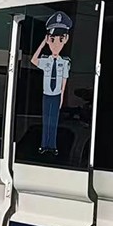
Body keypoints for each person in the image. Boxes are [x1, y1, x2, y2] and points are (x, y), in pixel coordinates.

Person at [31, 11, 73, 155]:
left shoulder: (64, 62)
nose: (56, 44)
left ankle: (52, 146)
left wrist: (62, 97)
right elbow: (33, 60)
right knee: (46, 120)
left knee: (54, 121)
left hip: (56, 95)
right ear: (48, 39)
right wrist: (43, 43)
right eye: (52, 39)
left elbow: (64, 80)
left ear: (66, 39)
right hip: (46, 94)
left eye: (60, 40)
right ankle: (44, 145)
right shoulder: (46, 60)